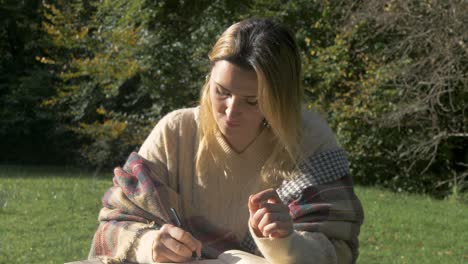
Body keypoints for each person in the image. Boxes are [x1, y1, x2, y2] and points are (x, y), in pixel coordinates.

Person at [89, 18, 364, 264]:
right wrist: (150, 245)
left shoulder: (308, 139)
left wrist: (285, 242)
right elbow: (115, 225)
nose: (231, 111)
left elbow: (338, 250)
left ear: (280, 98)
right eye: (221, 92)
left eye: (252, 101)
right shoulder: (176, 132)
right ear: (209, 80)